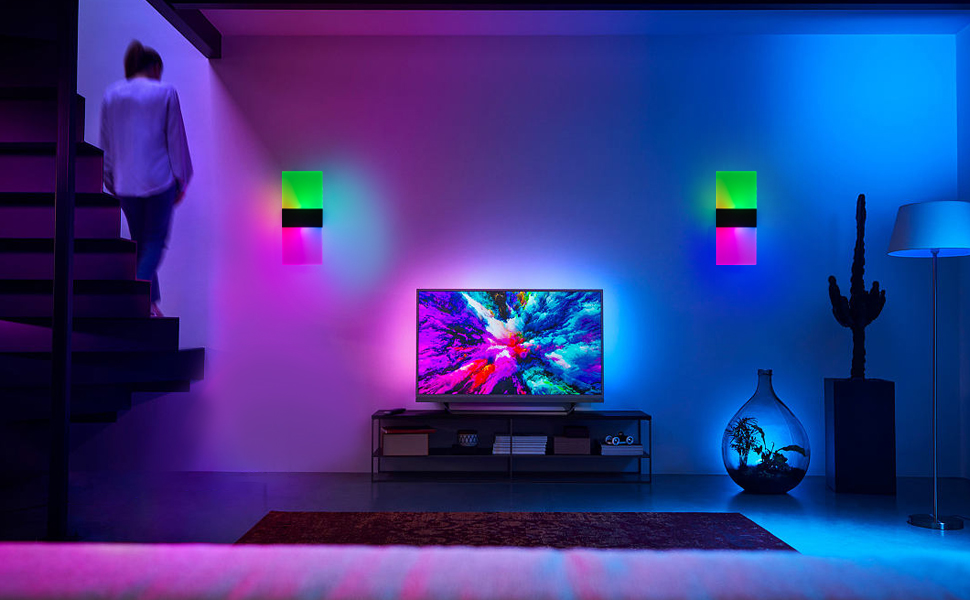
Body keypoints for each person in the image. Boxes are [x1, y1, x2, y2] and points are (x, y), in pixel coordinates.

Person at [100, 40, 192, 317]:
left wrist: (109, 179)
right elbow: (175, 140)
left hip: (125, 183)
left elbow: (106, 143)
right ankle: (138, 303)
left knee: (140, 243)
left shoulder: (112, 95)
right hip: (159, 181)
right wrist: (182, 179)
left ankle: (150, 304)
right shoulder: (165, 92)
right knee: (154, 243)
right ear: (155, 68)